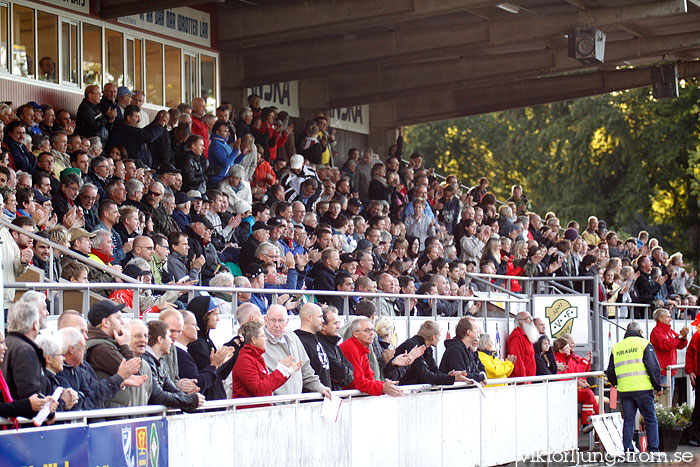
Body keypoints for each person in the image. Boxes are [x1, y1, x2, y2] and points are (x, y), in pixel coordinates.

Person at [606, 321, 663, 454]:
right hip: (643, 389)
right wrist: (657, 385)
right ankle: (653, 450)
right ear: (640, 332)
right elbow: (653, 367)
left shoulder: (617, 347)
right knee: (650, 419)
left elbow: (610, 371)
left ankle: (628, 451)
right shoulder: (644, 344)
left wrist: (616, 383)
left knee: (628, 421)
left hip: (625, 390)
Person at [261, 305, 332, 398]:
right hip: (274, 406)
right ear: (265, 320)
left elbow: (305, 369)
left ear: (287, 322)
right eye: (273, 320)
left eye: (281, 320)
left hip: (296, 404)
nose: (277, 325)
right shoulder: (259, 341)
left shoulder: (293, 337)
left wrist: (320, 387)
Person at [232, 321, 301, 407]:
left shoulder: (255, 357)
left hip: (259, 412)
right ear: (253, 340)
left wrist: (286, 372)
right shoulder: (244, 359)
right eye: (263, 336)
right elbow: (258, 389)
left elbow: (268, 386)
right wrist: (281, 371)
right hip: (250, 414)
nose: (266, 339)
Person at [142, 320, 204, 410]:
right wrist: (190, 400)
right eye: (168, 337)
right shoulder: (146, 360)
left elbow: (172, 389)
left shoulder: (161, 362)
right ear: (160, 339)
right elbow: (157, 395)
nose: (171, 342)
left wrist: (190, 401)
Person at [0, 329, 58, 424]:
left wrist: (43, 406)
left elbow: (9, 405)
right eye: (1, 343)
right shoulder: (24, 349)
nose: (5, 348)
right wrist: (28, 404)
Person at [339, 317, 404, 397]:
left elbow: (369, 377)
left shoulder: (362, 348)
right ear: (355, 334)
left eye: (372, 330)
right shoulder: (351, 348)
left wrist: (383, 384)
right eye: (367, 330)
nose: (371, 333)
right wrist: (382, 387)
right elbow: (359, 382)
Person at [387, 321, 465, 385]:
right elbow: (424, 375)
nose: (439, 339)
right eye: (439, 336)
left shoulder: (427, 348)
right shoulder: (414, 346)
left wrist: (449, 375)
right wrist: (452, 379)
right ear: (433, 337)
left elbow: (434, 372)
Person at [186, 296, 234, 401]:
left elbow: (222, 374)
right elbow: (210, 370)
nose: (218, 319)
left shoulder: (207, 341)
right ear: (204, 315)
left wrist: (235, 348)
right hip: (205, 403)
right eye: (215, 314)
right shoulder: (194, 344)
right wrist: (219, 361)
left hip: (216, 402)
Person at [316, 306, 354, 390]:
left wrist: (343, 376)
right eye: (335, 323)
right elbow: (341, 373)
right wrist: (343, 375)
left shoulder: (335, 346)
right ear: (323, 325)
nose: (338, 327)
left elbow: (351, 370)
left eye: (338, 323)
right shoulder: (319, 345)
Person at [293, 303, 331, 387]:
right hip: (311, 397)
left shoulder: (317, 337)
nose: (323, 321)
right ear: (309, 317)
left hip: (324, 395)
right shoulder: (298, 340)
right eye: (320, 317)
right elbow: (304, 372)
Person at [439, 316, 487, 382]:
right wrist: (481, 377)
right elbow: (462, 376)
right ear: (468, 332)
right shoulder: (455, 350)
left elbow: (478, 370)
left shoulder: (468, 350)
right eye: (476, 329)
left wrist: (482, 375)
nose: (478, 332)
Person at [649, 307, 688, 389]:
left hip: (670, 370)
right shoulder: (657, 331)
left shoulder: (669, 331)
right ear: (660, 318)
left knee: (669, 398)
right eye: (668, 317)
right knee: (664, 399)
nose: (670, 319)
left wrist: (683, 337)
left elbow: (680, 345)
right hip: (663, 371)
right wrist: (681, 336)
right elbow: (666, 346)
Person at [506, 312, 537, 378]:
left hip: (529, 379)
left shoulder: (527, 335)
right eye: (528, 318)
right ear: (520, 322)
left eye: (531, 317)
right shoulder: (517, 338)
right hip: (522, 381)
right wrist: (522, 379)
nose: (531, 320)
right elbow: (518, 361)